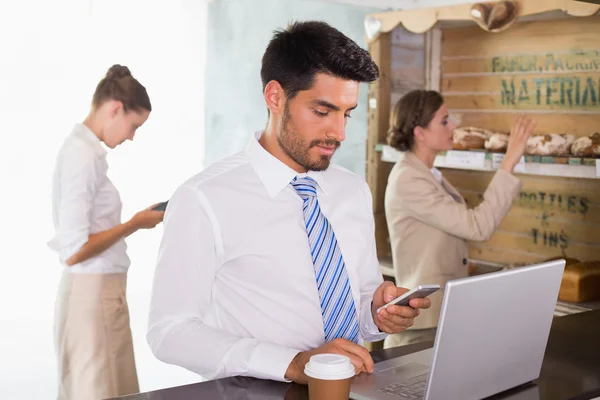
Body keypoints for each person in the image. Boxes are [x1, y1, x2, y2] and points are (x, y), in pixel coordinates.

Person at [146, 21, 431, 385]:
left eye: (347, 114)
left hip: (353, 387)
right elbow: (169, 331)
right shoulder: (204, 199)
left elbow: (359, 299)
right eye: (323, 111)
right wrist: (292, 363)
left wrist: (378, 314)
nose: (339, 134)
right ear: (275, 97)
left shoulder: (352, 190)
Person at [383, 90, 536, 348]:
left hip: (440, 316)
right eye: (444, 121)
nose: (453, 126)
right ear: (419, 133)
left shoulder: (426, 173)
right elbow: (478, 227)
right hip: (422, 322)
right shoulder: (409, 179)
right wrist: (509, 161)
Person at [49, 65, 165, 400]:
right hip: (92, 298)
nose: (131, 136)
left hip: (100, 296)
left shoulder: (87, 153)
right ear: (115, 108)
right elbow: (73, 249)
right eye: (134, 125)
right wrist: (134, 223)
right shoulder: (81, 155)